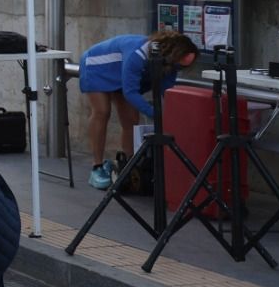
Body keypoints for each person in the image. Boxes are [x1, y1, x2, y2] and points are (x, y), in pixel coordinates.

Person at [78, 30, 200, 189]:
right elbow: (130, 92)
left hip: (120, 72)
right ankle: (97, 166)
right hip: (97, 66)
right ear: (172, 54)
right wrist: (154, 113)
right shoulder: (137, 54)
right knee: (102, 111)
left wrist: (173, 114)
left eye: (182, 67)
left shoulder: (171, 64)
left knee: (131, 120)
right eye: (178, 64)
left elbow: (166, 91)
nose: (178, 68)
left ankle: (129, 164)